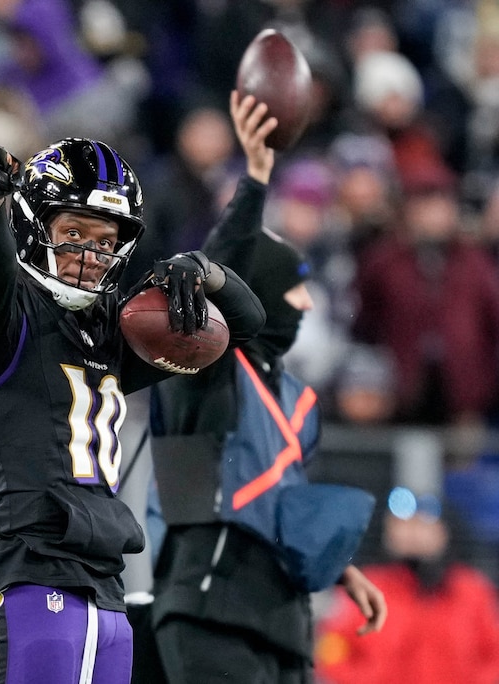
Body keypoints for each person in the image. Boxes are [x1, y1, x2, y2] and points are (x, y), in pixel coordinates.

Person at [0, 104, 269, 681]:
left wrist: (206, 271)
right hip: (26, 574)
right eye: (73, 232)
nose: (90, 253)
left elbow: (247, 321)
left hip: (104, 585)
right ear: (32, 227)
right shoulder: (0, 314)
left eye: (105, 240)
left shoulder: (111, 325)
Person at [133, 91, 388, 684]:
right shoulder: (210, 363)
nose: (305, 301)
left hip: (284, 614)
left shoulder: (298, 397)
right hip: (210, 602)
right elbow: (214, 274)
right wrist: (255, 180)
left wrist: (342, 568)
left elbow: (279, 495)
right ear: (265, 291)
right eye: (293, 286)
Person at [315, 488, 499, 684]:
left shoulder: (472, 590)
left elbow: (494, 655)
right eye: (403, 524)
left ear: (444, 531)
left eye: (423, 524)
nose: (413, 532)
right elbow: (331, 650)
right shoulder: (365, 587)